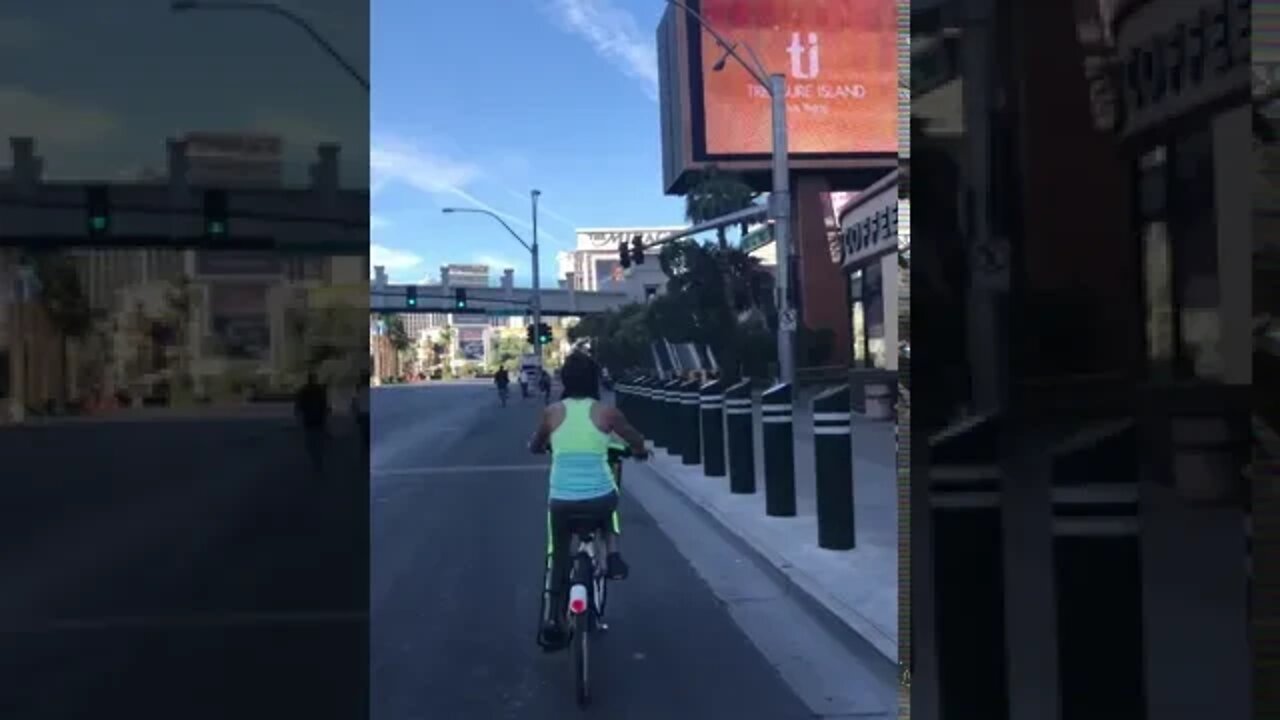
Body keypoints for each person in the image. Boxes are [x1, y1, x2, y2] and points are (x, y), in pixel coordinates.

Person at [529, 352, 647, 647]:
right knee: (608, 502)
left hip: (562, 500)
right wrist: (640, 450)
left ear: (564, 380)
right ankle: (614, 555)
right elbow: (635, 440)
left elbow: (536, 444)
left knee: (558, 554)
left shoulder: (552, 413)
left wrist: (540, 446)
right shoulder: (606, 413)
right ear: (595, 380)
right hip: (599, 499)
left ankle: (553, 617)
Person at [294, 371, 330, 476]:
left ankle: (316, 460)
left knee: (311, 443)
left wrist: (297, 413)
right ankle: (319, 460)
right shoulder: (319, 390)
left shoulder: (304, 390)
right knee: (319, 441)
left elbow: (298, 404)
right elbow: (325, 404)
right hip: (319, 419)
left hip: (309, 420)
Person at [351, 370, 371, 457]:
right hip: (368, 414)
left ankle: (364, 453)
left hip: (363, 414)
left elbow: (355, 402)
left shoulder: (359, 389)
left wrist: (355, 413)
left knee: (363, 435)